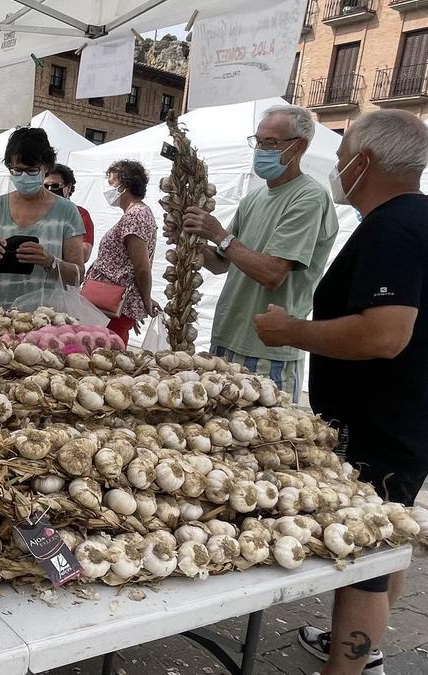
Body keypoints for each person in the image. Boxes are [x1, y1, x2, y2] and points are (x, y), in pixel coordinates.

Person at [254, 109, 428, 675]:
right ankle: (359, 645)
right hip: (408, 417)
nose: (338, 164)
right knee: (390, 530)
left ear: (365, 162)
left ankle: (349, 666)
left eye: (344, 152)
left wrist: (292, 331)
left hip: (382, 422)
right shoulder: (419, 219)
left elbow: (384, 334)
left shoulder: (393, 228)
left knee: (367, 552)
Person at [179, 104, 338, 403]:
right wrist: (191, 242)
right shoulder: (253, 199)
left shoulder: (309, 198)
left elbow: (272, 273)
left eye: (271, 143)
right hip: (226, 340)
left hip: (268, 352)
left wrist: (217, 233)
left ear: (299, 146)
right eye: (258, 141)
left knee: (261, 442)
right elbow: (221, 264)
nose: (261, 150)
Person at [0, 128, 86, 308]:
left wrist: (50, 261)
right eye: (17, 170)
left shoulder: (67, 212)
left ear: (47, 167)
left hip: (44, 322)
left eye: (32, 170)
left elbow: (78, 276)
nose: (23, 176)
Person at [86, 160, 160, 343]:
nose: (108, 187)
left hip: (112, 303)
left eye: (111, 182)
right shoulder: (134, 214)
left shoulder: (136, 215)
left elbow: (141, 267)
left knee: (104, 350)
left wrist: (145, 300)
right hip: (108, 302)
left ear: (124, 185)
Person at [44, 163, 96, 262]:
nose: (50, 190)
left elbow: (84, 254)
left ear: (68, 188)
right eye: (45, 186)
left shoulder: (80, 214)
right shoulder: (34, 212)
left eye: (55, 186)